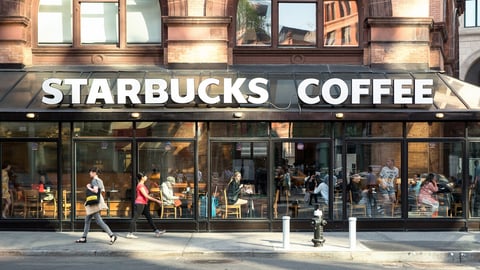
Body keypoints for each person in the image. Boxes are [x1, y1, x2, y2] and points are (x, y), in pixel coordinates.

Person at [76, 167, 117, 245]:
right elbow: (103, 191)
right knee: (87, 220)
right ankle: (83, 237)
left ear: (94, 173)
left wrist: (88, 187)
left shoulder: (94, 181)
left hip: (93, 202)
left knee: (98, 221)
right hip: (97, 201)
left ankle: (112, 235)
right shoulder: (100, 180)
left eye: (90, 172)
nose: (89, 173)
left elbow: (95, 190)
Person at [126, 173, 165, 239]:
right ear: (142, 178)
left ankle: (156, 231)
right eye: (145, 176)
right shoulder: (140, 185)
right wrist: (157, 201)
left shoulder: (143, 185)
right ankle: (130, 233)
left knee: (149, 217)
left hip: (143, 203)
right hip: (140, 204)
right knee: (135, 218)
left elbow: (146, 195)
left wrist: (152, 196)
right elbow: (146, 196)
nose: (146, 177)